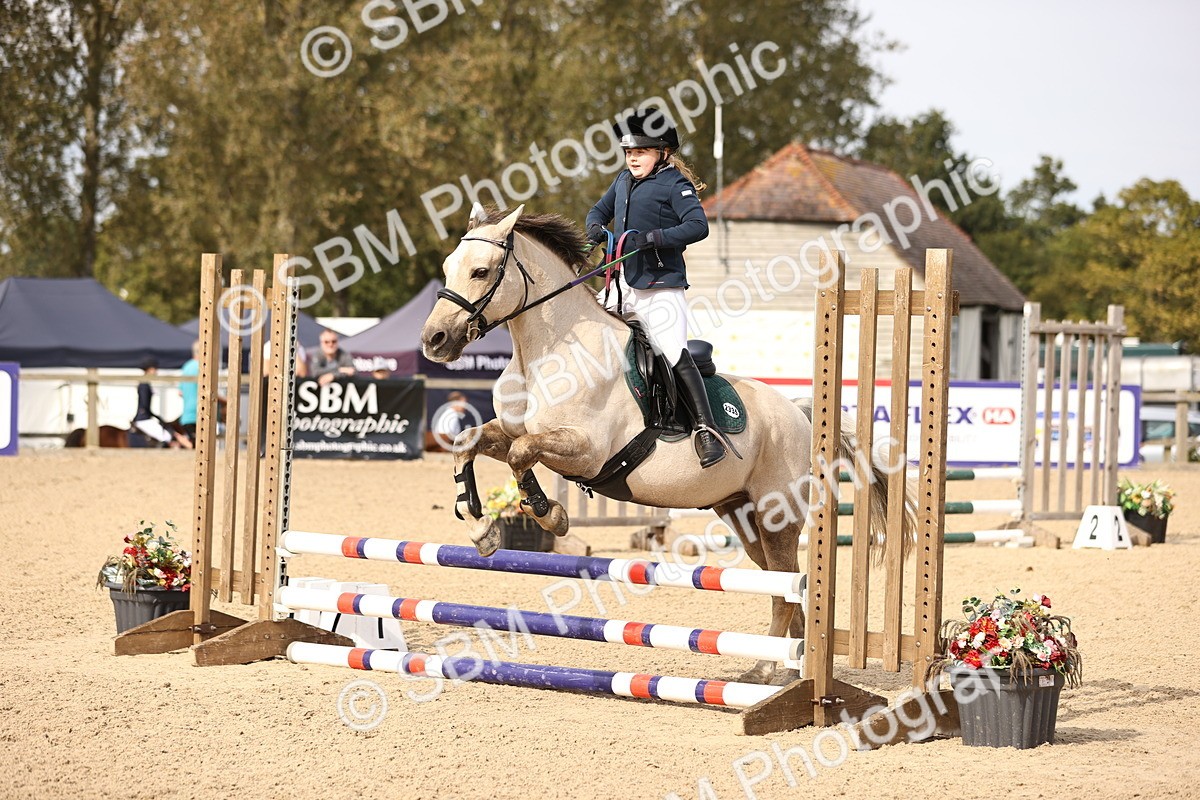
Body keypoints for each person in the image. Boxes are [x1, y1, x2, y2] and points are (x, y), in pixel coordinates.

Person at [584, 108, 724, 467]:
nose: (633, 158)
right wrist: (597, 228)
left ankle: (706, 430)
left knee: (672, 348)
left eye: (641, 152)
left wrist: (654, 237)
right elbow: (597, 212)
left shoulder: (675, 184)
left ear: (662, 152)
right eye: (629, 152)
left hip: (660, 288)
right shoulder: (622, 181)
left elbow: (698, 226)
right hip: (621, 284)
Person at [133, 357, 189, 448]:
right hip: (143, 419)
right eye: (155, 369)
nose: (156, 372)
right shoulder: (144, 385)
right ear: (149, 370)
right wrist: (156, 417)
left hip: (146, 417)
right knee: (166, 436)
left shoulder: (146, 384)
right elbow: (144, 406)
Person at [178, 340, 201, 443]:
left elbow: (180, 392)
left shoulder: (186, 366)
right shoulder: (202, 367)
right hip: (199, 413)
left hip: (187, 415)